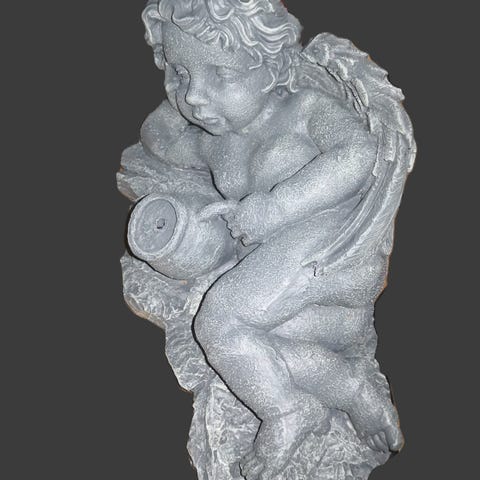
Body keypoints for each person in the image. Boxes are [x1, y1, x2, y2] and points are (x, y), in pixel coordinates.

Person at [141, 1, 406, 478]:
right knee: (248, 346)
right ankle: (350, 388)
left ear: (273, 68)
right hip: (294, 300)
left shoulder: (304, 111)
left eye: (222, 74)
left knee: (218, 323)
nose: (196, 96)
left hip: (327, 252)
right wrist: (182, 85)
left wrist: (277, 207)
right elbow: (157, 137)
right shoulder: (211, 140)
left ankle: (286, 411)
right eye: (181, 75)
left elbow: (358, 154)